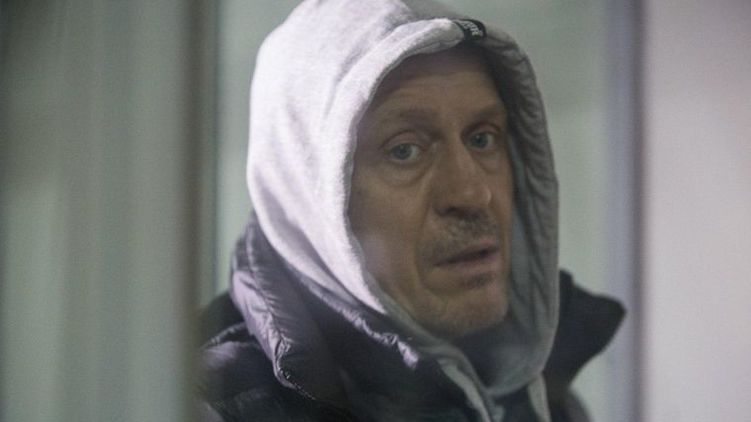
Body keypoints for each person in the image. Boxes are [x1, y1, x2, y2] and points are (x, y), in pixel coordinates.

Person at [198, 1, 624, 421]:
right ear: (309, 197)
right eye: (404, 150)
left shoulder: (540, 398)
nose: (473, 194)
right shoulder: (213, 409)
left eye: (482, 138)